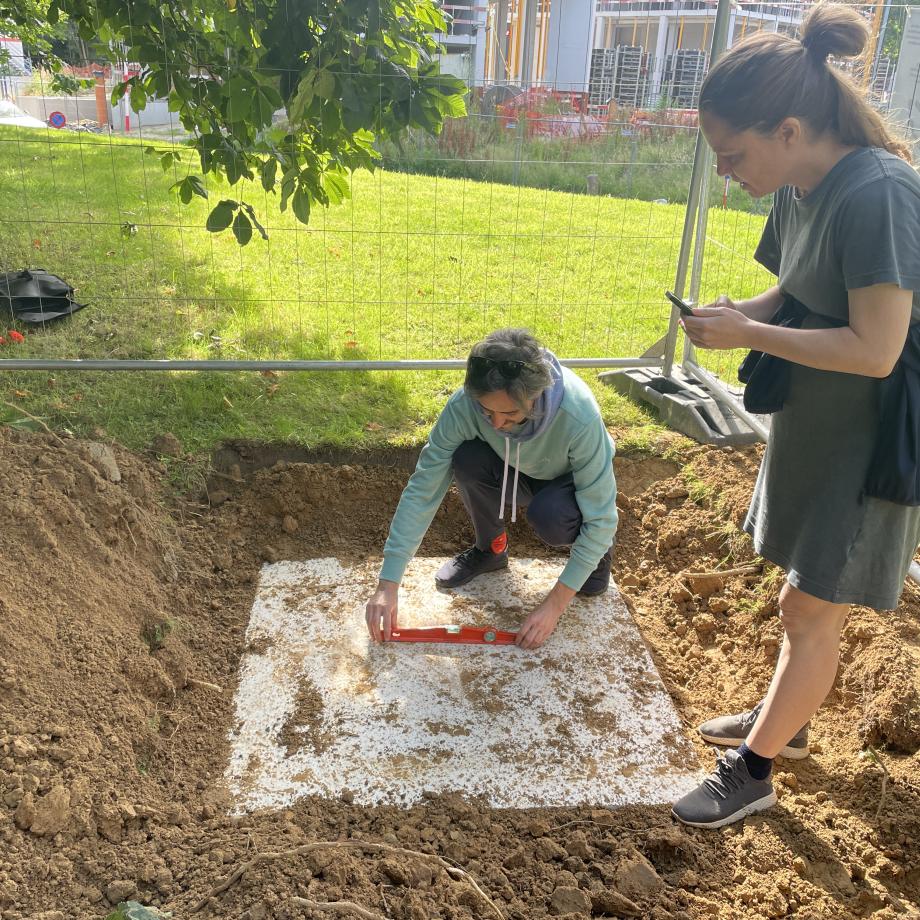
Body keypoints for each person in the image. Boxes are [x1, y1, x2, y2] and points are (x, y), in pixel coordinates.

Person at [672, 3, 920, 829]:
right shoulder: (801, 182)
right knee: (803, 589)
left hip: (874, 437)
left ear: (786, 129)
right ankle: (793, 717)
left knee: (809, 607)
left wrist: (748, 333)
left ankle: (756, 769)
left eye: (734, 155)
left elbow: (878, 348)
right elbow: (794, 291)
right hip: (821, 419)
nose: (730, 172)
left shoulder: (879, 192)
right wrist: (734, 313)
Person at [364, 328, 618, 650]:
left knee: (553, 517)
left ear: (536, 395)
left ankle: (598, 558)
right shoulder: (464, 407)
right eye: (487, 412)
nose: (496, 425)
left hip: (567, 485)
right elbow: (424, 486)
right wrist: (388, 583)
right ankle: (491, 550)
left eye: (510, 413)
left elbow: (602, 518)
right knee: (467, 458)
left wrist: (553, 605)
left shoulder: (578, 417)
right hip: (517, 470)